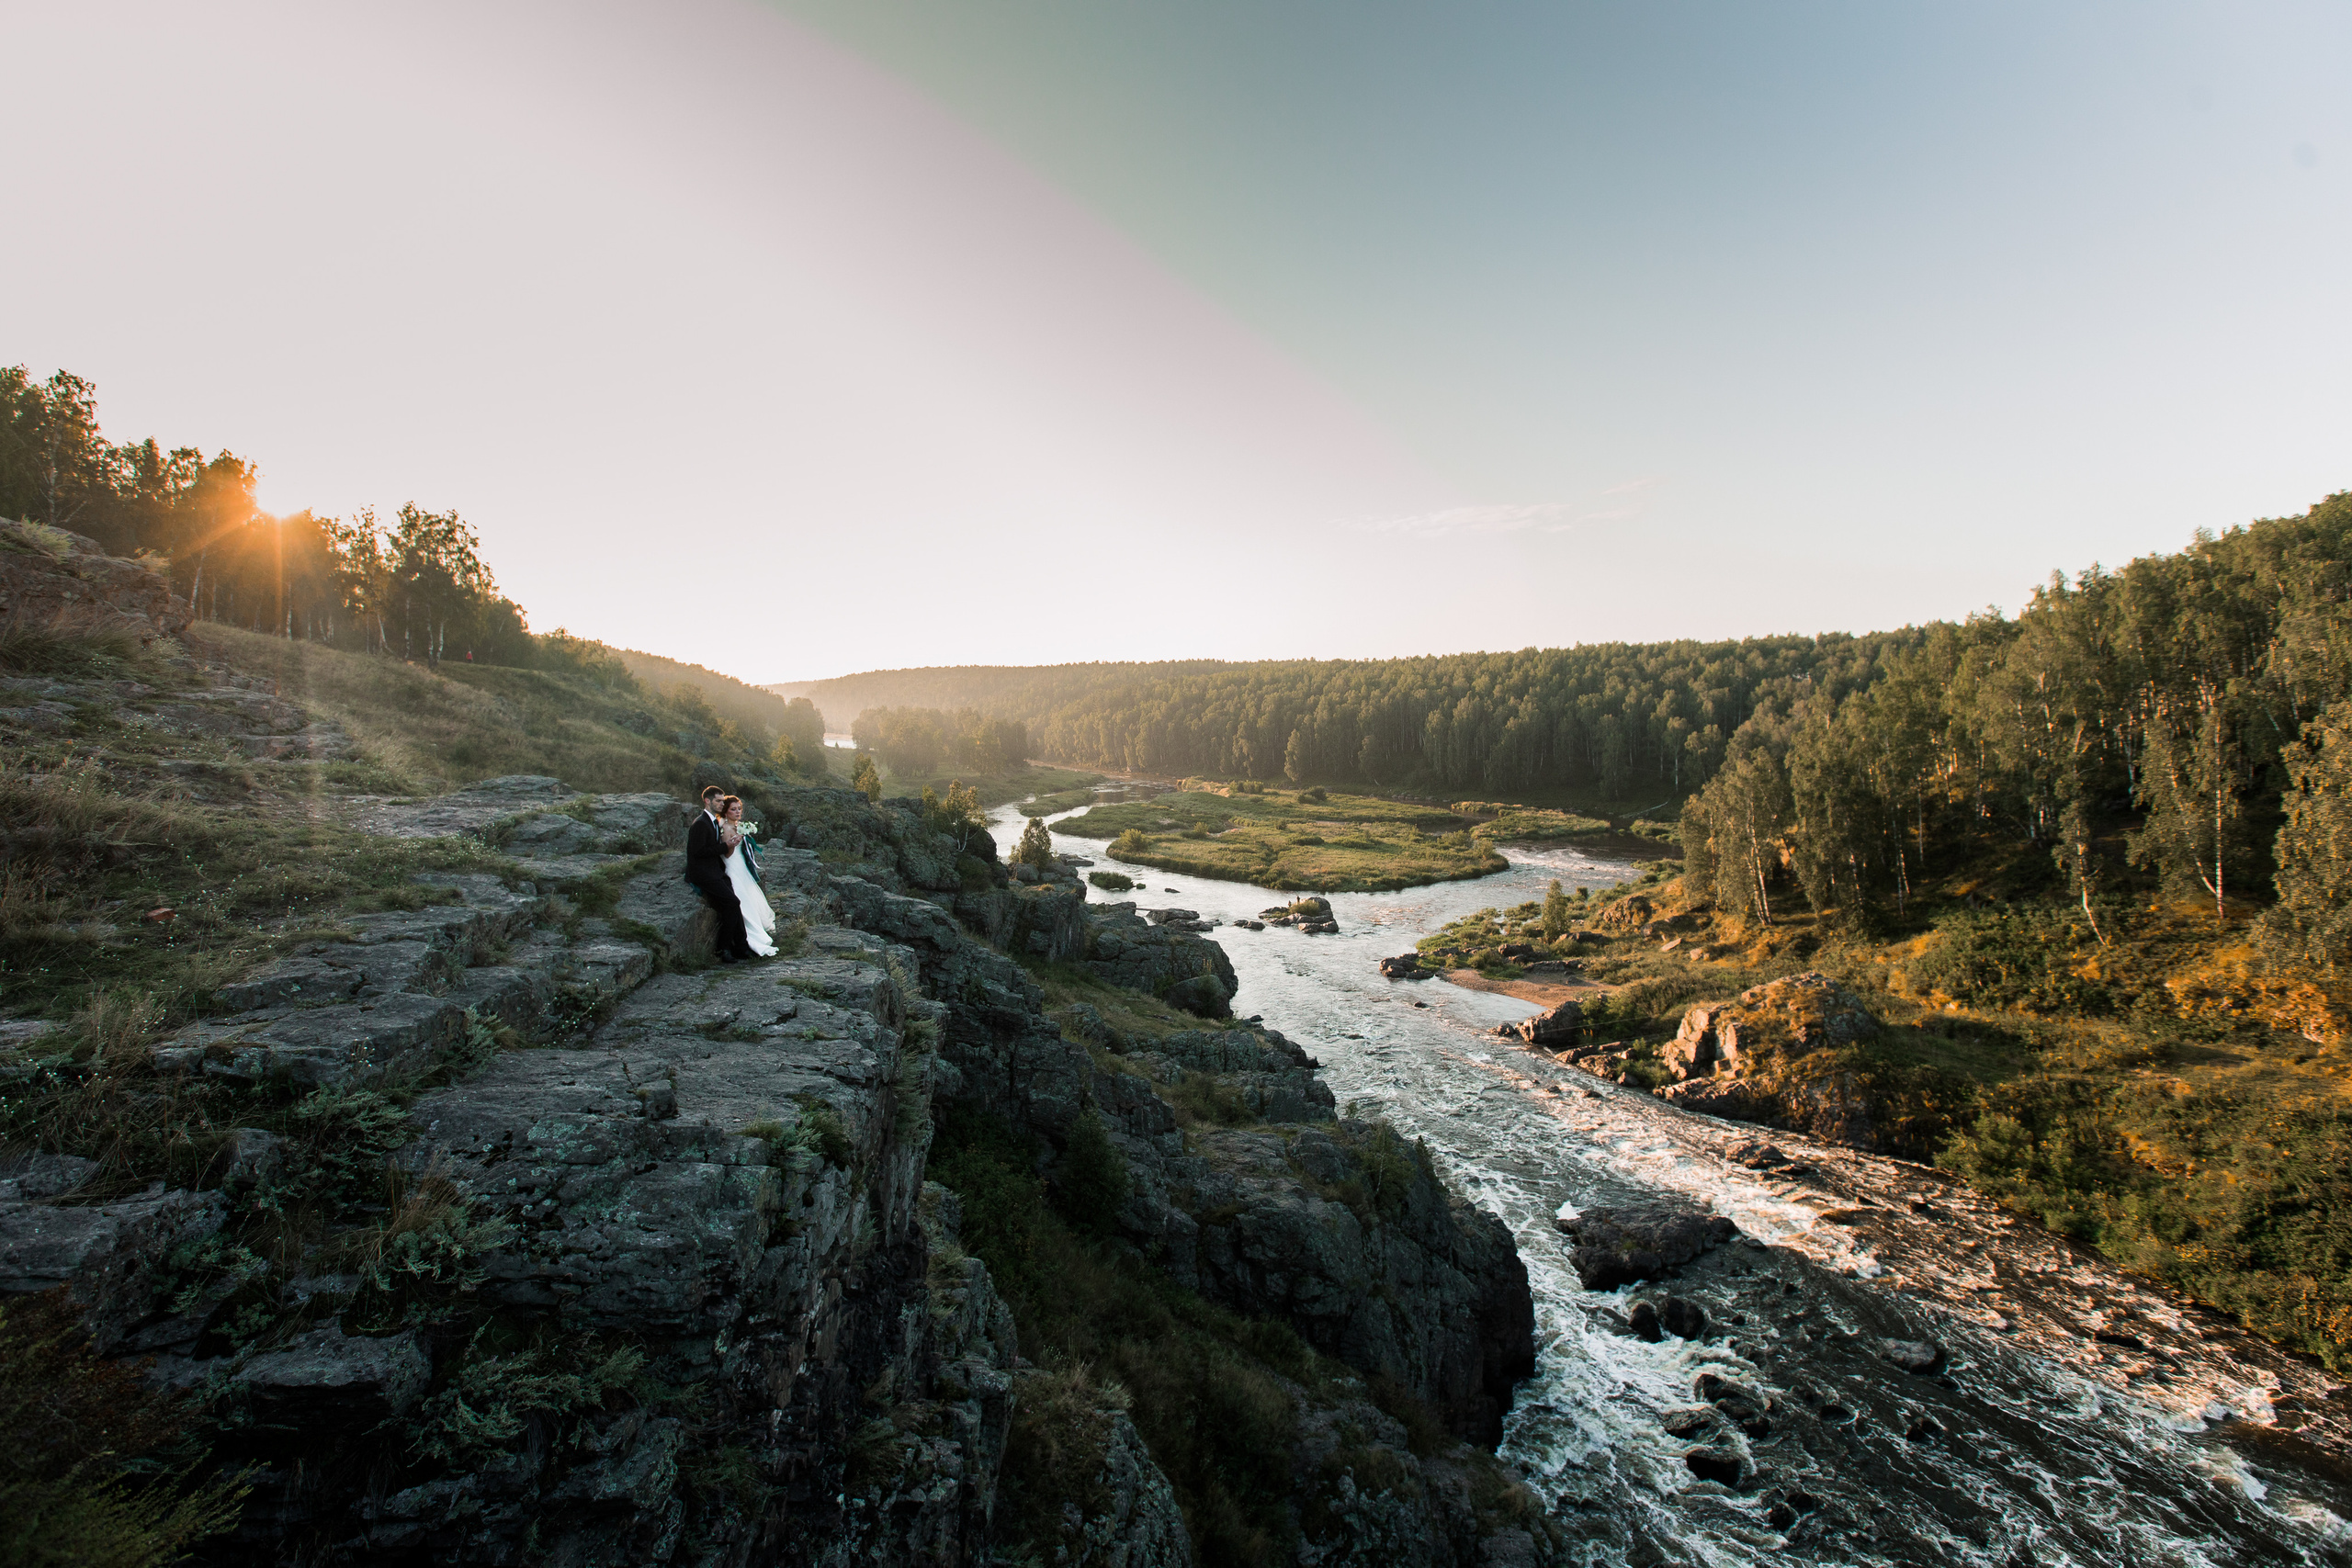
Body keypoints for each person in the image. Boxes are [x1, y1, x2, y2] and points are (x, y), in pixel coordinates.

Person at [684, 784, 754, 962]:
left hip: (715, 871)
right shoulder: (700, 823)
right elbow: (698, 852)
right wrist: (727, 846)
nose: (722, 804)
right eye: (718, 801)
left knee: (734, 903)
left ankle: (741, 947)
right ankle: (722, 950)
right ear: (707, 801)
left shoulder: (714, 821)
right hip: (703, 873)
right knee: (732, 903)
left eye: (723, 801)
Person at [718, 795, 778, 957]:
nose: (737, 812)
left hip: (741, 865)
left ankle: (753, 929)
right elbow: (727, 854)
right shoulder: (725, 828)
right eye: (733, 809)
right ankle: (747, 936)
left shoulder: (737, 825)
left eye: (739, 809)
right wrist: (735, 842)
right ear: (725, 811)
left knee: (750, 895)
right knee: (741, 897)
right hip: (732, 866)